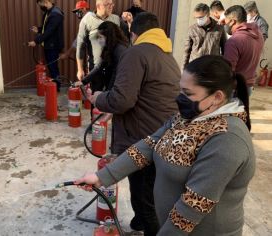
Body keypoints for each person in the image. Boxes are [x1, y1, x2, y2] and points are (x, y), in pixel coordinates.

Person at [76, 55, 255, 236]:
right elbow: (149, 145)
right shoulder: (190, 117)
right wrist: (102, 177)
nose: (180, 98)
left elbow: (192, 206)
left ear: (217, 97)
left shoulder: (227, 139)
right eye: (180, 90)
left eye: (188, 93)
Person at [86, 12, 181, 235]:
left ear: (134, 33)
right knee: (149, 192)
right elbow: (144, 96)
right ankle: (139, 225)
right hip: (165, 135)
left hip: (145, 139)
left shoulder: (136, 52)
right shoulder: (166, 54)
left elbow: (121, 99)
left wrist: (98, 98)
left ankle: (149, 228)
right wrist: (114, 113)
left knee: (144, 199)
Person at [75, 21, 128, 91]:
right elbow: (99, 67)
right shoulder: (109, 48)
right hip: (112, 89)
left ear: (109, 37)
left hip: (119, 89)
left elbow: (116, 74)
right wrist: (83, 82)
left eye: (100, 37)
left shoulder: (119, 50)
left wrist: (107, 94)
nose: (98, 40)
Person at [223, 5, 264, 95]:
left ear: (232, 22)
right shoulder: (258, 34)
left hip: (235, 89)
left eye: (225, 22)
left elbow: (228, 70)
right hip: (248, 87)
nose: (224, 25)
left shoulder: (234, 41)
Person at [76, 0, 120, 81]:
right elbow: (80, 46)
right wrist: (80, 69)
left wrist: (129, 22)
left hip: (113, 67)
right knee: (95, 92)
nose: (111, 6)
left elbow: (125, 39)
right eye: (107, 4)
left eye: (112, 4)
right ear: (98, 6)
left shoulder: (116, 19)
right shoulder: (87, 20)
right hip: (95, 69)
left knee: (111, 92)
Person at [28, 0, 64, 92]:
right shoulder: (49, 12)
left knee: (53, 67)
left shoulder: (56, 14)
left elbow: (49, 31)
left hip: (53, 46)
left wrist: (36, 41)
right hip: (49, 45)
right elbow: (46, 28)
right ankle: (54, 86)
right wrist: (39, 30)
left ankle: (56, 87)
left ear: (45, 2)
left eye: (40, 4)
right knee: (52, 67)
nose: (40, 6)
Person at [183, 3, 226, 68]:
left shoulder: (219, 28)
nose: (198, 20)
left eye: (200, 17)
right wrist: (183, 70)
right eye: (196, 18)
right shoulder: (192, 29)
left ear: (208, 15)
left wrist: (223, 67)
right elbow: (186, 51)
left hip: (212, 67)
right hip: (195, 67)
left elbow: (224, 49)